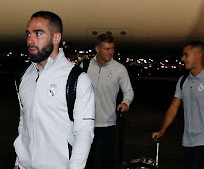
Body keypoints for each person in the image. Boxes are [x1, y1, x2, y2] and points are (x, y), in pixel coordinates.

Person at [13, 11, 95, 169]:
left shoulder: (77, 79)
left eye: (38, 34)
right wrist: (19, 161)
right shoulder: (24, 77)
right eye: (28, 34)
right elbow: (24, 123)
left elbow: (84, 133)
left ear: (56, 38)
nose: (30, 40)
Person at [151, 41, 204, 169]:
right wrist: (162, 130)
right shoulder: (183, 81)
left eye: (186, 55)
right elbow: (174, 108)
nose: (183, 59)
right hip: (188, 140)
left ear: (198, 55)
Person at [83, 34, 134, 169]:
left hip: (108, 123)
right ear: (97, 49)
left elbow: (129, 91)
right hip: (86, 122)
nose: (110, 52)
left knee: (107, 162)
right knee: (86, 161)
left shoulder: (119, 69)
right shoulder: (85, 65)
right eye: (106, 49)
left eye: (112, 49)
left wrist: (125, 102)